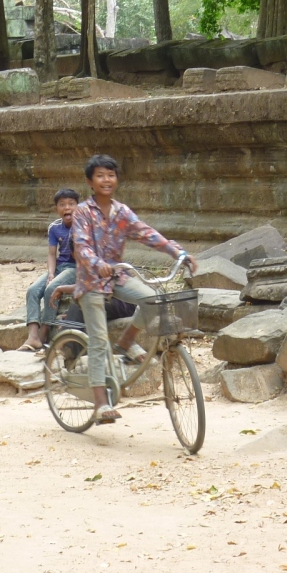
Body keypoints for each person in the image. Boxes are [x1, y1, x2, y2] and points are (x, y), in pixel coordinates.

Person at [71, 153, 196, 424]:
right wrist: (98, 263)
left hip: (118, 276)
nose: (106, 180)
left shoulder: (122, 212)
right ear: (90, 182)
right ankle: (101, 403)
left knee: (154, 298)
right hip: (91, 280)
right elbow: (81, 247)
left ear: (117, 179)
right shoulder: (82, 211)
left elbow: (147, 233)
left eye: (111, 175)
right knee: (99, 341)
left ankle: (127, 340)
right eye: (100, 175)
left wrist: (178, 252)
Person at [19, 189, 80, 352]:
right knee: (33, 290)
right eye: (62, 204)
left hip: (75, 268)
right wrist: (51, 273)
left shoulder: (83, 226)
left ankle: (44, 331)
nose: (67, 208)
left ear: (78, 207)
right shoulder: (54, 228)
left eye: (71, 204)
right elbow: (52, 254)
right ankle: (32, 336)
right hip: (59, 267)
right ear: (56, 209)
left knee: (52, 288)